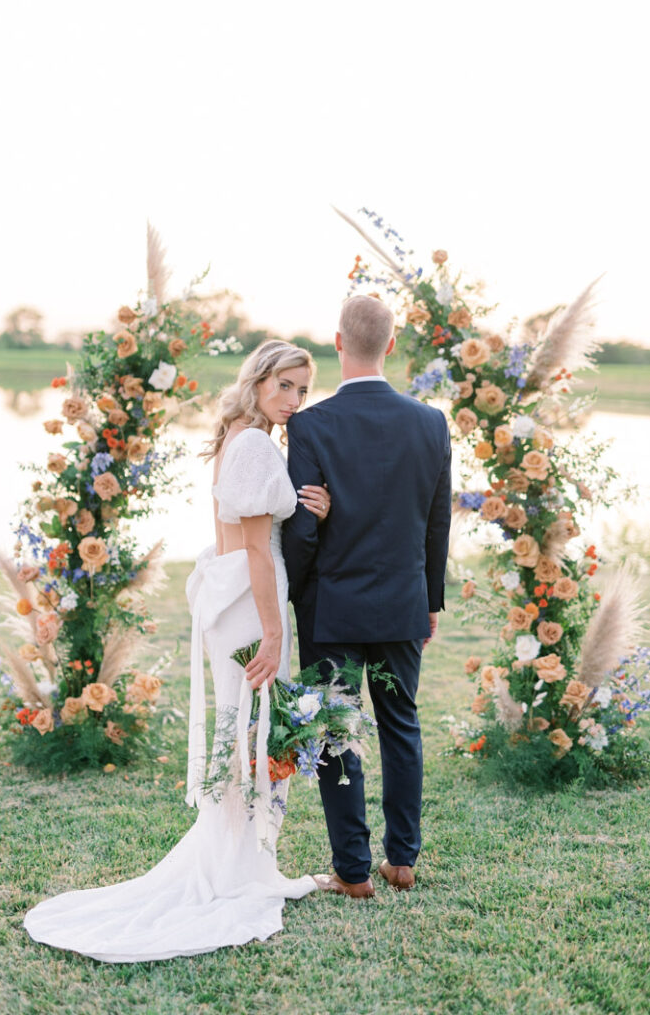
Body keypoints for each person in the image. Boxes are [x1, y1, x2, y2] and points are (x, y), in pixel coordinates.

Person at [23, 340, 331, 962]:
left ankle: (242, 862)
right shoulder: (251, 444)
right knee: (250, 731)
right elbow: (251, 548)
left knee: (246, 732)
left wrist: (304, 509)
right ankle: (234, 873)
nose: (296, 401)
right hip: (251, 600)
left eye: (304, 389)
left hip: (241, 596)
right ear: (259, 380)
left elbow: (249, 527)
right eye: (286, 386)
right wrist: (272, 633)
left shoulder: (242, 436)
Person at [282, 295, 452, 898]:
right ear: (392, 344)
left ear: (337, 343)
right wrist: (429, 601)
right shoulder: (431, 423)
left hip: (332, 608)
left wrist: (295, 591)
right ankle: (402, 860)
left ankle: (353, 872)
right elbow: (437, 525)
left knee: (334, 728)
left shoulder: (309, 424)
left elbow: (302, 527)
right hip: (403, 603)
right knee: (401, 724)